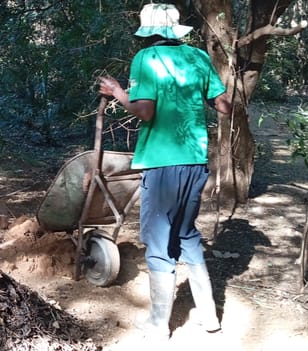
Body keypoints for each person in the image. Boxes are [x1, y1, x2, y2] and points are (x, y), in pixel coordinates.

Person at [98, 3, 232, 342]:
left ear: (149, 31)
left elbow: (144, 112)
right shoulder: (199, 58)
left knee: (159, 242)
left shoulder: (146, 59)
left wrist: (117, 93)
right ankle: (210, 316)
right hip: (195, 162)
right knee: (187, 235)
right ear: (175, 30)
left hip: (162, 164)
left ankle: (159, 326)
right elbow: (224, 105)